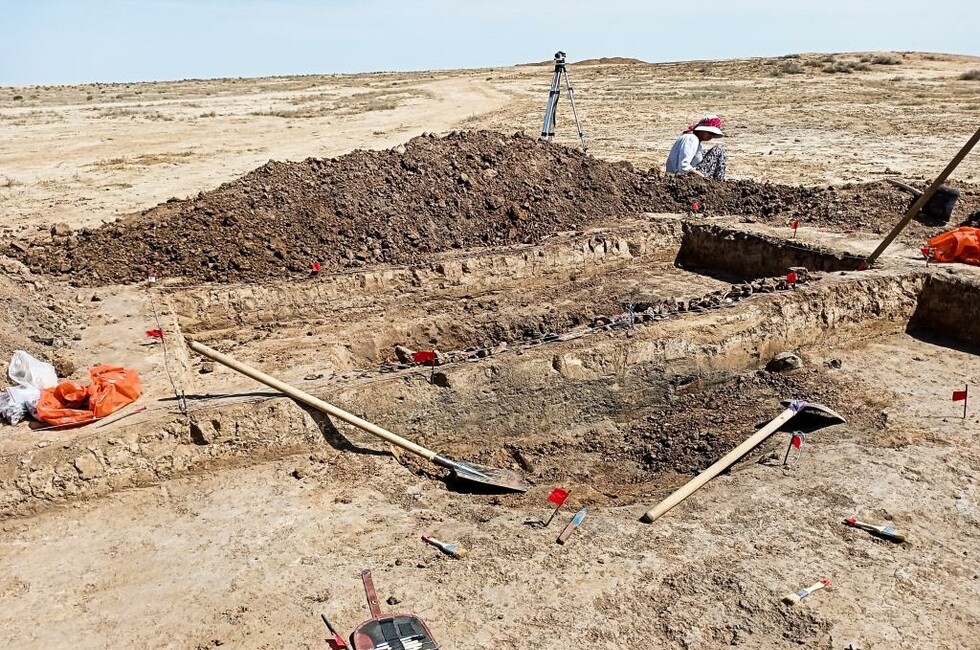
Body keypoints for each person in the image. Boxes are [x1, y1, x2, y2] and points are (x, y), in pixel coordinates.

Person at [665, 114, 727, 180]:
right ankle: (718, 181)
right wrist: (704, 177)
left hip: (678, 175)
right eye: (710, 133)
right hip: (681, 177)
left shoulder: (693, 140)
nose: (711, 136)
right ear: (701, 131)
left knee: (704, 153)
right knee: (718, 151)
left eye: (714, 134)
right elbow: (683, 167)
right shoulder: (692, 139)